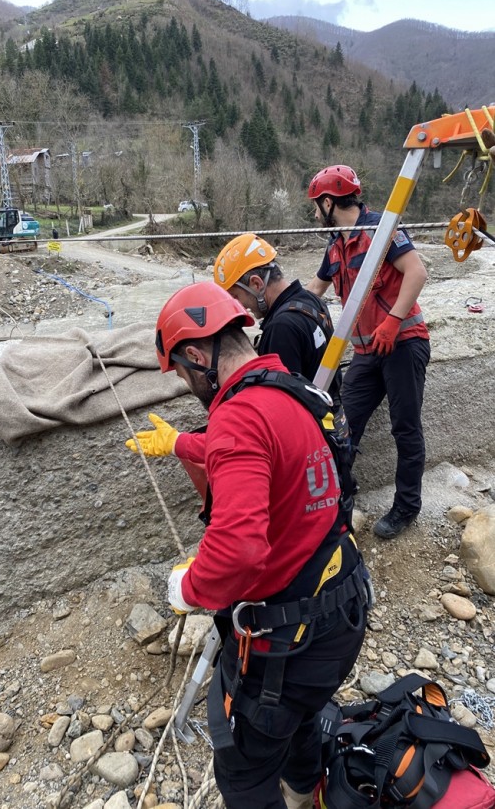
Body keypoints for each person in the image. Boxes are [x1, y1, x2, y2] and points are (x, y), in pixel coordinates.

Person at [130, 282, 368, 809]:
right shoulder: (292, 388)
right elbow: (260, 448)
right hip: (343, 607)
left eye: (185, 373)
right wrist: (179, 443)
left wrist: (188, 588)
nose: (188, 384)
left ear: (197, 355)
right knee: (302, 718)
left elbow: (237, 551)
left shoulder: (237, 415)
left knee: (243, 769)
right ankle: (307, 793)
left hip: (290, 641)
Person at [305, 164, 430, 540]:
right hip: (365, 353)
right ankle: (338, 501)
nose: (313, 214)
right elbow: (315, 290)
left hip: (403, 344)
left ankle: (407, 507)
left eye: (315, 206)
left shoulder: (381, 229)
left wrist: (393, 320)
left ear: (329, 202)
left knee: (405, 428)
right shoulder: (336, 244)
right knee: (342, 427)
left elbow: (417, 272)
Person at [212, 232, 343, 414]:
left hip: (311, 429)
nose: (240, 306)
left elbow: (280, 406)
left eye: (236, 297)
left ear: (256, 284)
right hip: (331, 417)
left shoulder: (282, 328)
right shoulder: (310, 301)